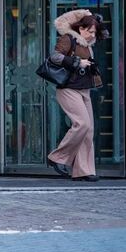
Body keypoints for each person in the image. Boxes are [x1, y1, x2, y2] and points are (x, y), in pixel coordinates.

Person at [47, 10, 106, 182]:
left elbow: (103, 34)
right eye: (90, 31)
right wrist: (77, 62)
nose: (92, 35)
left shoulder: (87, 44)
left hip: (84, 89)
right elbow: (54, 57)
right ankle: (57, 157)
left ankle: (83, 170)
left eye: (94, 32)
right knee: (82, 124)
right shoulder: (68, 39)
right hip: (68, 89)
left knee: (88, 130)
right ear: (80, 29)